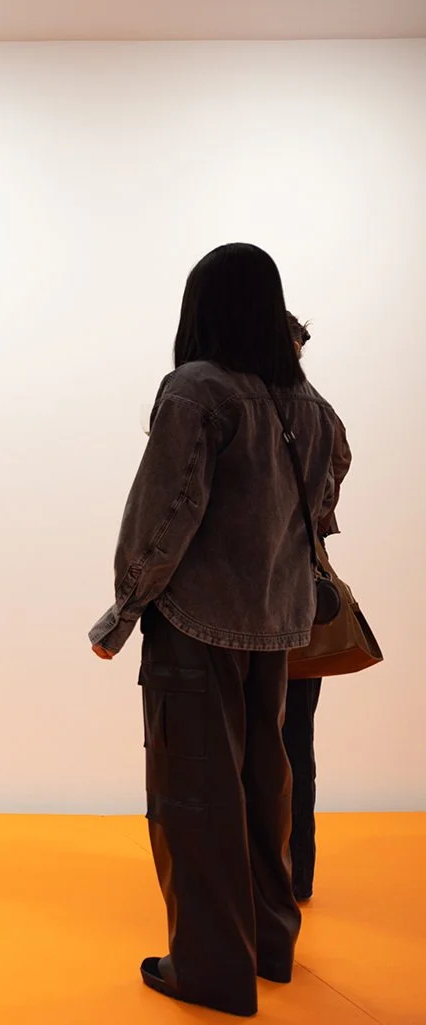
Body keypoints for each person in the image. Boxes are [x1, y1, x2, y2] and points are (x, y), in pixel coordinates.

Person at [89, 244, 345, 1017]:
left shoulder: (196, 389)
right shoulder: (304, 399)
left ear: (201, 304)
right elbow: (328, 491)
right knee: (264, 791)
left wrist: (123, 610)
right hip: (278, 625)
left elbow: (167, 514)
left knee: (193, 799)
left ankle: (209, 970)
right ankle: (270, 946)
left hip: (198, 626)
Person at [281, 312, 352, 904]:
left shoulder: (248, 408)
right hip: (307, 592)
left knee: (254, 740)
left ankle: (266, 874)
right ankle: (295, 874)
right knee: (296, 739)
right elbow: (331, 491)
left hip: (255, 601)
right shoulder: (321, 413)